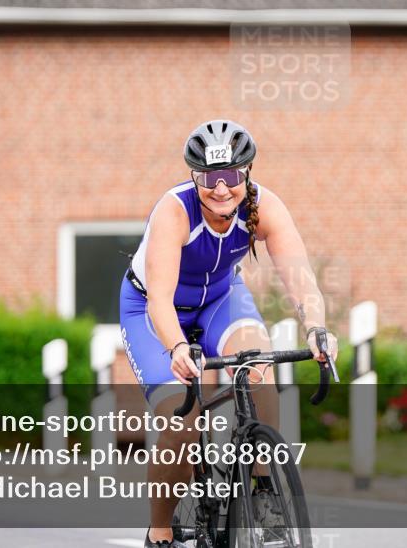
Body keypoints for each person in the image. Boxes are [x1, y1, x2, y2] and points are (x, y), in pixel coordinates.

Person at [119, 119, 339, 548]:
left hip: (221, 300)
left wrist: (316, 328)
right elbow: (160, 300)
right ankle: (160, 530)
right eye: (209, 178)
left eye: (231, 176)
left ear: (247, 172)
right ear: (194, 177)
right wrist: (177, 347)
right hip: (153, 310)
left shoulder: (266, 207)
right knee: (181, 422)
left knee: (259, 368)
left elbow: (301, 281)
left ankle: (262, 491)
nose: (221, 189)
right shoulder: (174, 211)